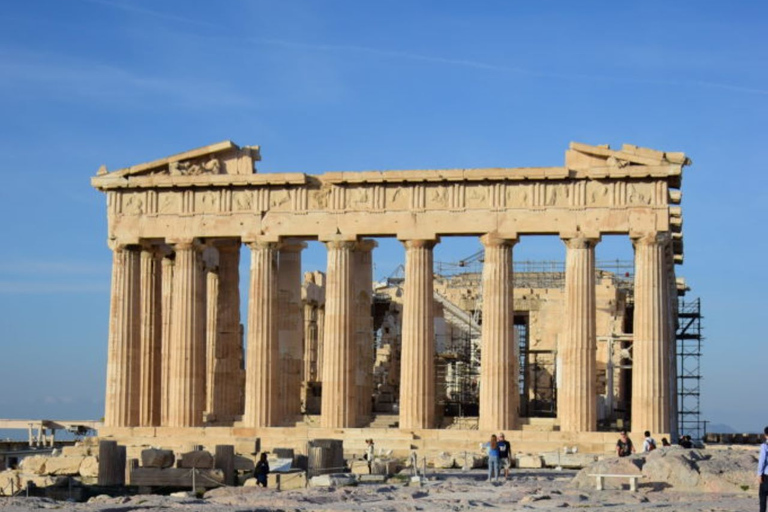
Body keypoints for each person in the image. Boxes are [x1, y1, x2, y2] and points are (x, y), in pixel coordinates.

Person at [757, 426, 768, 512]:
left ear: (765, 435)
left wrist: (759, 474)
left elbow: (762, 461)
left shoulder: (765, 446)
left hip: (766, 475)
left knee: (763, 497)